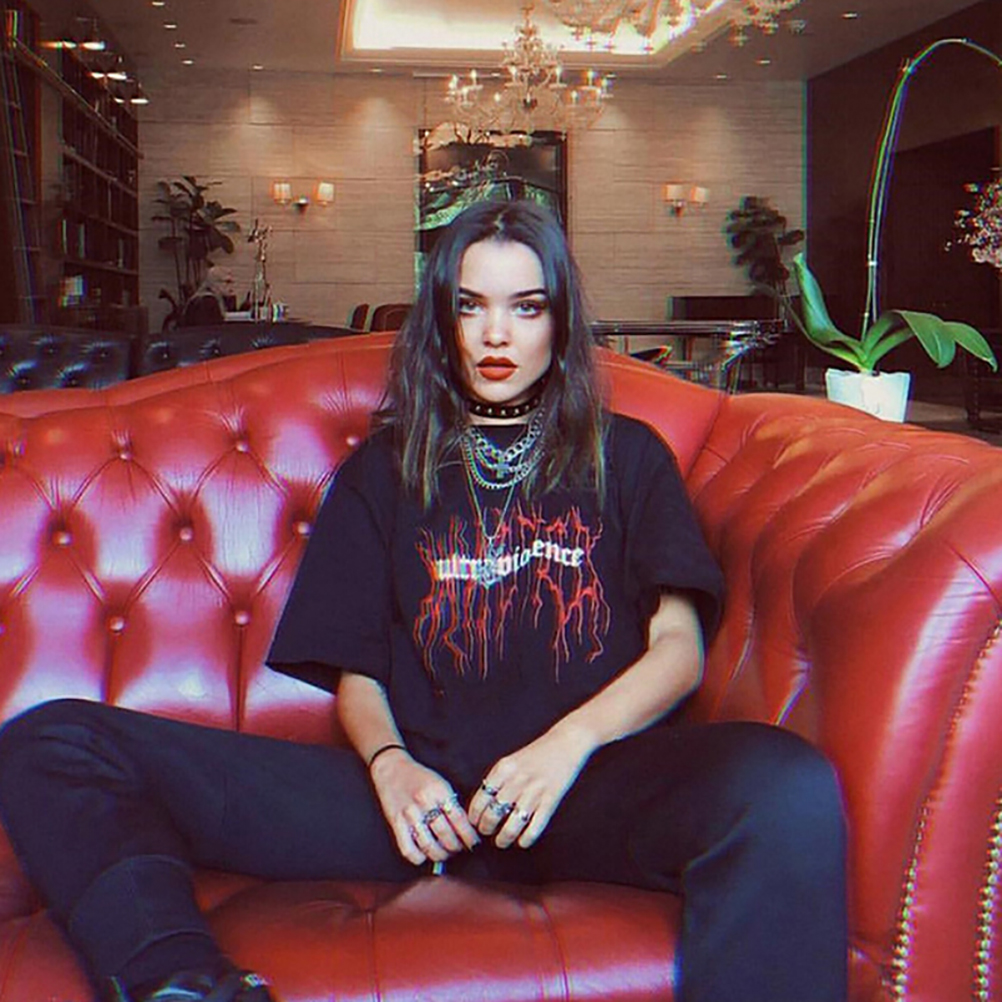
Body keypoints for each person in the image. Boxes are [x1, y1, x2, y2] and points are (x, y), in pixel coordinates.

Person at [0, 199, 847, 1002]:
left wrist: (567, 747)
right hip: (411, 809)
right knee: (52, 740)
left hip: (583, 790)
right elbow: (357, 671)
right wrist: (391, 768)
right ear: (442, 319)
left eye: (526, 307)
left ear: (559, 320)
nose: (496, 334)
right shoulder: (384, 470)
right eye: (471, 306)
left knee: (783, 783)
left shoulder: (627, 456)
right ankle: (182, 984)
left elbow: (679, 651)